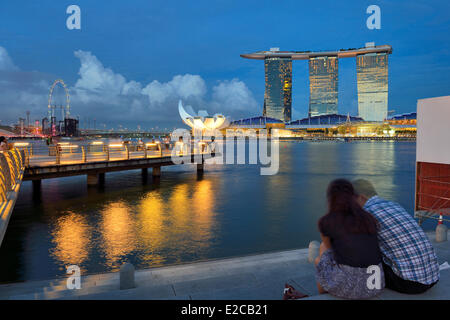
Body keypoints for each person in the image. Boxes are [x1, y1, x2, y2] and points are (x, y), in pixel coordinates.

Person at [352, 179, 439, 294]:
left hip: (410, 283)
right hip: (433, 277)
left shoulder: (366, 213)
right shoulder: (393, 205)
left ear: (361, 197)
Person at [315, 179, 385, 299]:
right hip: (376, 285)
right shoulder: (368, 218)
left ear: (331, 198)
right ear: (353, 196)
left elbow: (330, 249)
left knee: (321, 255)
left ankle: (323, 293)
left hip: (350, 289)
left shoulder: (327, 221)